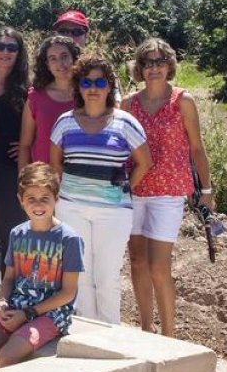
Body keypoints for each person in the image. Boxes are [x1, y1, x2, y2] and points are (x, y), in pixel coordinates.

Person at [50, 54, 151, 324]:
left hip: (114, 212)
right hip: (72, 208)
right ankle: (84, 334)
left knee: (107, 278)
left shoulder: (125, 122)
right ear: (78, 87)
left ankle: (110, 336)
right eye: (86, 82)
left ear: (109, 86)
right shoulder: (64, 122)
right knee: (79, 276)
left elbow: (144, 162)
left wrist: (125, 188)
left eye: (99, 82)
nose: (92, 88)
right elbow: (55, 164)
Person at [125, 38, 212, 337]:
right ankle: (146, 329)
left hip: (168, 194)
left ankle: (170, 336)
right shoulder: (128, 103)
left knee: (159, 267)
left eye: (160, 62)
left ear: (170, 66)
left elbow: (197, 149)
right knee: (137, 261)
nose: (153, 68)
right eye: (147, 63)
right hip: (134, 191)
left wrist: (207, 192)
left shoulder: (183, 101)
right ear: (139, 68)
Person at [0, 163, 83, 372]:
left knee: (6, 357)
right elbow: (10, 278)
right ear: (21, 201)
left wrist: (27, 314)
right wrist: (3, 301)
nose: (38, 205)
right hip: (16, 307)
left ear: (56, 199)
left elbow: (68, 292)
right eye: (31, 199)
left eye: (44, 198)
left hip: (50, 314)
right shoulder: (17, 233)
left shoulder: (69, 239)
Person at [0, 28, 29, 294]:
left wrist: (24, 146)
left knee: (11, 230)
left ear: (19, 53)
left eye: (12, 48)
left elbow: (36, 126)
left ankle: (10, 290)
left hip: (12, 169)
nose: (5, 52)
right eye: (0, 46)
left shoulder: (26, 89)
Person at [19, 36, 80, 170]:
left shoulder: (87, 94)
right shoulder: (36, 97)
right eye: (53, 58)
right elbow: (25, 145)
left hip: (79, 181)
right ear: (47, 64)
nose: (60, 63)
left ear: (74, 58)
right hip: (43, 180)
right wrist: (22, 183)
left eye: (64, 56)